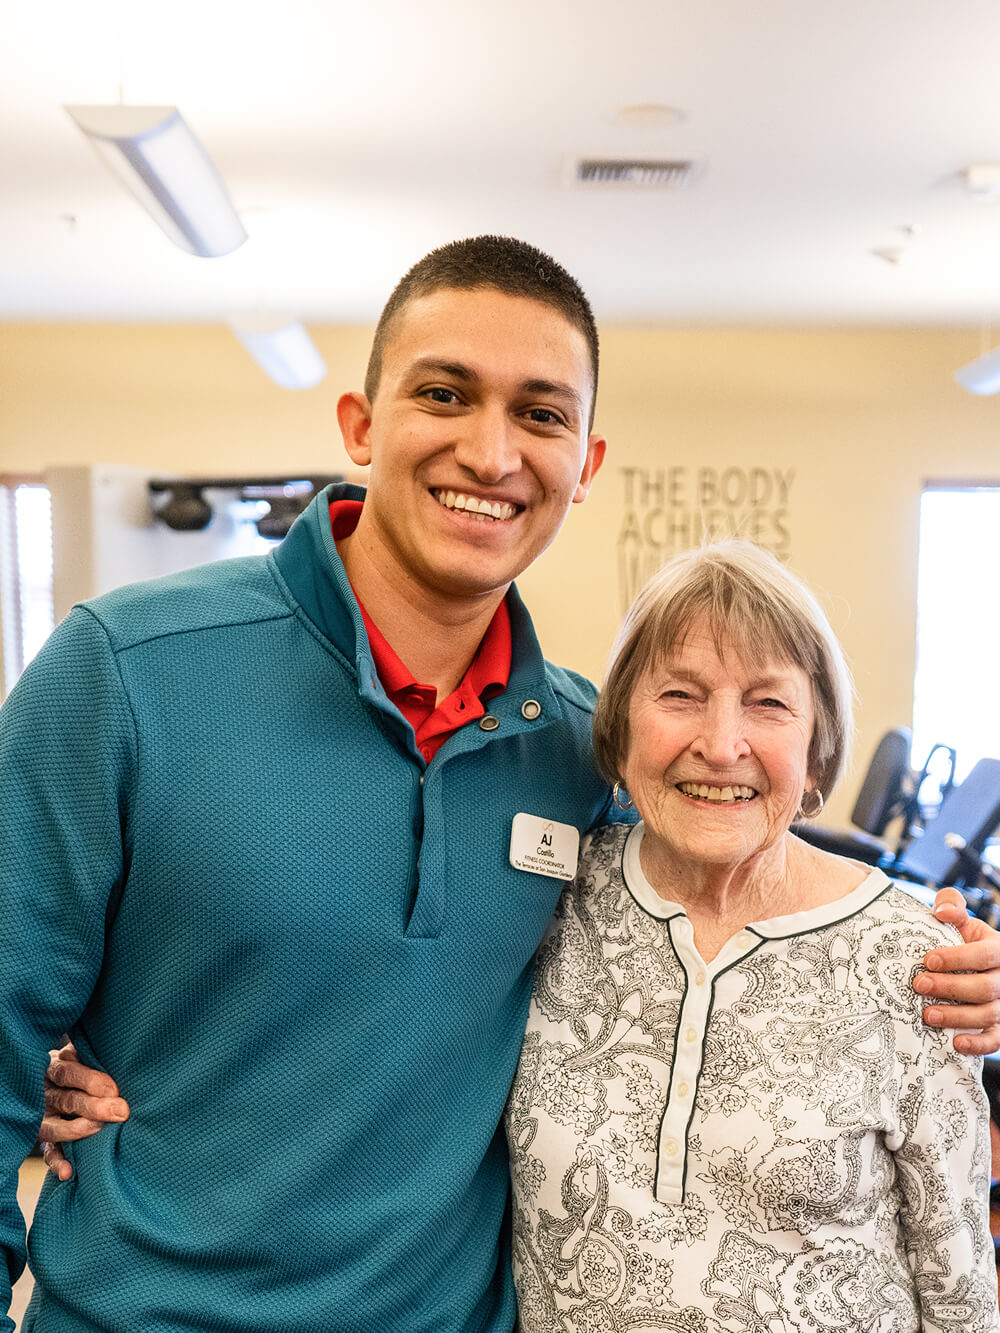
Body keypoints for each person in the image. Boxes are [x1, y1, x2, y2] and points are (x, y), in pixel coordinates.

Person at [3, 238, 998, 1333]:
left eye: (539, 413)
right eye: (444, 393)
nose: (490, 451)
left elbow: (728, 880)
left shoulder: (585, 750)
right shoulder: (126, 671)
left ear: (585, 460)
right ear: (361, 424)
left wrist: (940, 955)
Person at [505, 541, 999, 1330]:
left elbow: (959, 1281)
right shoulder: (551, 896)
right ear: (622, 727)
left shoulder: (914, 960)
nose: (723, 743)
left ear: (815, 750)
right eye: (680, 694)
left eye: (768, 704)